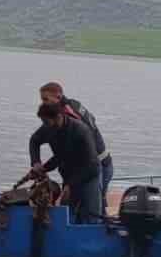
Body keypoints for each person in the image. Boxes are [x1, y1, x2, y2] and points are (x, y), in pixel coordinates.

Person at [32, 82, 114, 213]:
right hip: (94, 163)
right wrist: (39, 165)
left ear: (58, 96)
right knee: (91, 207)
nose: (43, 103)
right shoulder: (73, 104)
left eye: (45, 99)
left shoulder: (69, 118)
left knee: (93, 211)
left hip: (95, 164)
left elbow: (68, 153)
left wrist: (69, 183)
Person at [29, 103, 104, 224]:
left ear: (58, 116)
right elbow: (34, 141)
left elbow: (92, 165)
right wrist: (36, 163)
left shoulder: (80, 131)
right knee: (68, 214)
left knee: (92, 215)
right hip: (69, 174)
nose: (44, 126)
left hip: (89, 175)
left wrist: (70, 185)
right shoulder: (48, 128)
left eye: (46, 122)